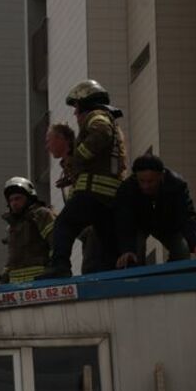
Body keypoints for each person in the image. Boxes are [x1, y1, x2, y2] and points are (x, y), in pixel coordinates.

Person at [47, 80, 128, 277]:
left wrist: (77, 158)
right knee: (105, 242)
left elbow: (101, 134)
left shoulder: (97, 116)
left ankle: (60, 268)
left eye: (76, 107)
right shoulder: (110, 120)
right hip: (110, 196)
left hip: (94, 193)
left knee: (64, 225)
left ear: (85, 103)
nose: (75, 113)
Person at [115, 154, 196, 268]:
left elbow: (187, 216)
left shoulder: (177, 185)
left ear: (161, 176)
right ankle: (137, 281)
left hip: (167, 224)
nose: (145, 186)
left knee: (182, 250)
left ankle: (173, 277)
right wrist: (127, 249)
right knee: (133, 254)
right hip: (138, 224)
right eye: (142, 181)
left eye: (150, 181)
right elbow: (124, 221)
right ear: (136, 177)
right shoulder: (127, 189)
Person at [0, 177, 56, 283]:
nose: (14, 203)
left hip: (40, 280)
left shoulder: (41, 215)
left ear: (29, 198)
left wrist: (54, 267)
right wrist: (6, 273)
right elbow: (13, 255)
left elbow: (55, 242)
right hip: (16, 285)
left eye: (18, 198)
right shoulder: (12, 226)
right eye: (11, 200)